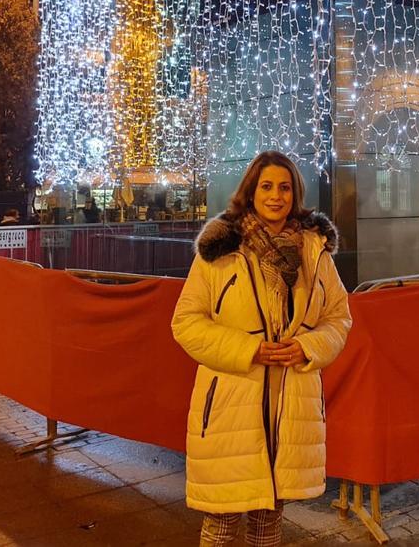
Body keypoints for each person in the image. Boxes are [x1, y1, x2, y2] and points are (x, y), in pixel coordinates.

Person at [171, 150, 352, 546]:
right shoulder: (222, 249)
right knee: (220, 526)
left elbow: (339, 317)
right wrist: (248, 349)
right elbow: (185, 321)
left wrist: (307, 346)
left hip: (292, 409)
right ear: (250, 192)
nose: (276, 196)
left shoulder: (314, 250)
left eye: (285, 188)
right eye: (266, 186)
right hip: (231, 407)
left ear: (295, 194)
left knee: (268, 526)